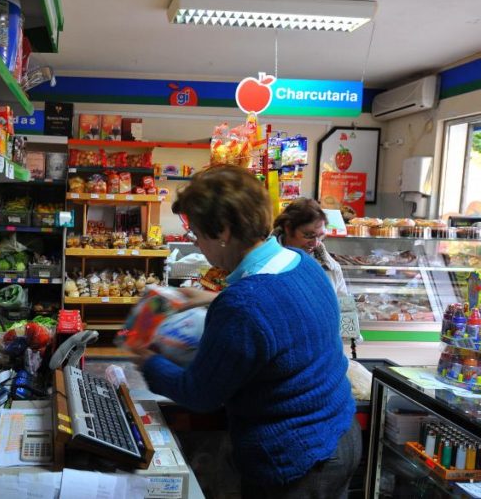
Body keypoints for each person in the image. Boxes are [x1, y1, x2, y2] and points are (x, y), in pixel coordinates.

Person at [134, 166, 360, 498]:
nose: (195, 242)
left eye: (196, 234)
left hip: (294, 461)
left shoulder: (244, 304)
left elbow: (201, 394)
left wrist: (146, 360)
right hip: (343, 436)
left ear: (223, 231)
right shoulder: (300, 261)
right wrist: (214, 298)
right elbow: (282, 314)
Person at [272, 198, 348, 296]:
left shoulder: (331, 268)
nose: (315, 243)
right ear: (288, 228)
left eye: (320, 236)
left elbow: (344, 308)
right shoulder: (264, 263)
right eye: (308, 235)